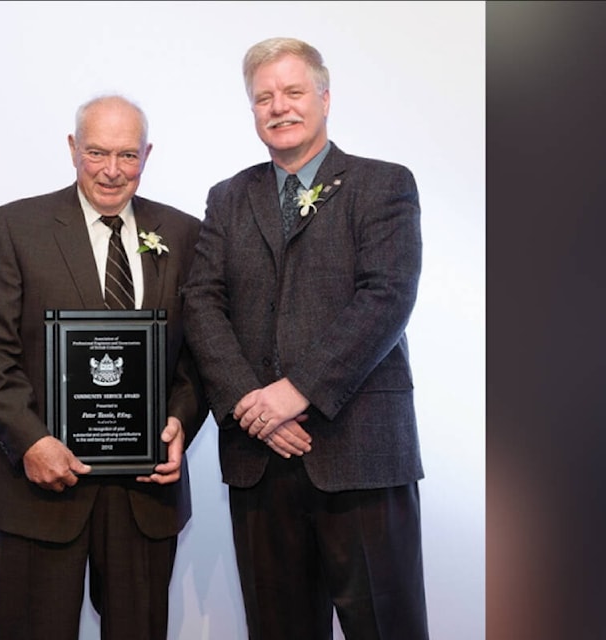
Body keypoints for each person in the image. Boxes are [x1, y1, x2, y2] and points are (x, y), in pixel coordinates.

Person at [182, 37, 429, 639]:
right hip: (259, 459)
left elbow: (385, 298)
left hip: (362, 453)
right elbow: (201, 302)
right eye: (263, 97)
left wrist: (294, 392)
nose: (279, 107)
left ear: (324, 96)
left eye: (293, 92)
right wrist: (250, 404)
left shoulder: (383, 185)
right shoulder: (228, 197)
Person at [0, 94, 208, 640]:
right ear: (73, 148)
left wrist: (178, 426)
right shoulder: (16, 227)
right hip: (38, 489)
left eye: (127, 155)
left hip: (144, 495)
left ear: (147, 154)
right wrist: (30, 442)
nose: (112, 171)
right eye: (97, 152)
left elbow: (199, 356)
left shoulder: (186, 234)